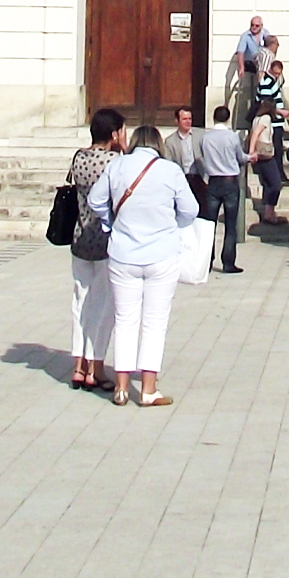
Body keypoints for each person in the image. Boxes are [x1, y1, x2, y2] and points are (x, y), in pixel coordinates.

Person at [88, 122, 199, 406]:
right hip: (161, 253)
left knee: (125, 320)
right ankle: (148, 389)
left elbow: (95, 200)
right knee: (155, 322)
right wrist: (171, 223)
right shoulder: (170, 170)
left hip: (123, 252)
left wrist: (110, 223)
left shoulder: (117, 166)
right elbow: (191, 210)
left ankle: (121, 388)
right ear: (158, 144)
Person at [63, 110, 125, 385]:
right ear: (114, 134)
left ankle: (78, 364)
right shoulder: (114, 161)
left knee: (81, 301)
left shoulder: (79, 157)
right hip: (105, 239)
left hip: (80, 235)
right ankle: (95, 366)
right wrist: (123, 150)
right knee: (104, 304)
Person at [193, 101, 246, 272]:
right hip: (229, 181)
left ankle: (207, 261)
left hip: (213, 181)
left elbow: (202, 155)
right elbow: (240, 157)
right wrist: (250, 157)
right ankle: (228, 262)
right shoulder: (232, 137)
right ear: (228, 119)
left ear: (213, 118)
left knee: (209, 224)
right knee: (230, 224)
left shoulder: (205, 137)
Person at [250, 55, 289, 222]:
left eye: (278, 74)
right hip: (273, 128)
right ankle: (269, 211)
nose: (276, 76)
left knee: (271, 180)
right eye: (275, 73)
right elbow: (266, 102)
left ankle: (269, 211)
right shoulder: (267, 84)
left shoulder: (272, 82)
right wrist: (281, 112)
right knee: (274, 179)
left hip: (275, 124)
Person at [230, 15, 273, 122]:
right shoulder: (245, 35)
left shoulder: (266, 34)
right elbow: (240, 52)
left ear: (261, 26)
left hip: (263, 64)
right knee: (252, 92)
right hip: (251, 63)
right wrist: (241, 67)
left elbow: (271, 49)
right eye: (252, 25)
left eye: (256, 26)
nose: (254, 27)